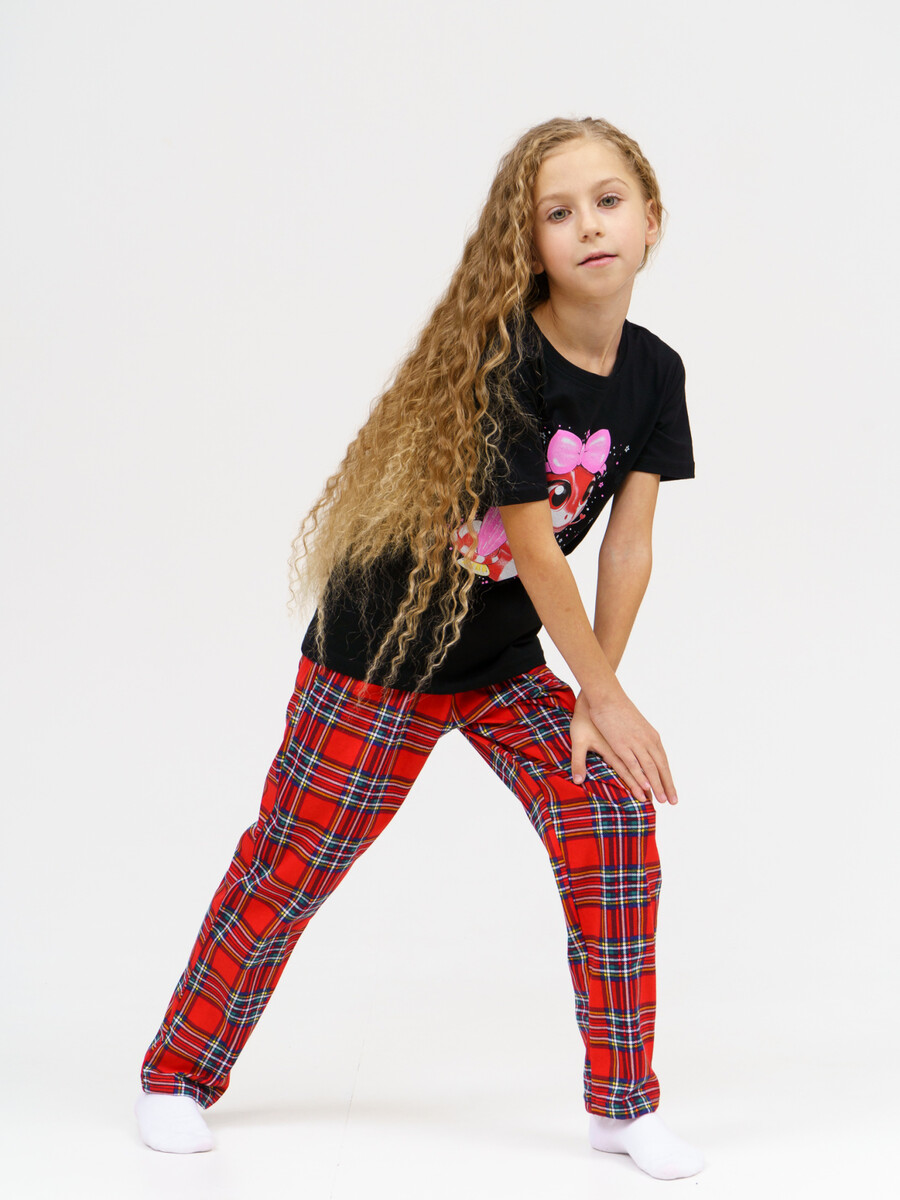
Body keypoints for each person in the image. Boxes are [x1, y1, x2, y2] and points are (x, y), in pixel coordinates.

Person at [134, 116, 706, 1181]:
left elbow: (629, 543)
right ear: (529, 243)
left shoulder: (655, 372)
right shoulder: (508, 361)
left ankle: (623, 1105)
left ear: (651, 219)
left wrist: (601, 695)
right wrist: (603, 692)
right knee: (295, 860)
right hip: (383, 656)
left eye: (609, 201)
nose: (589, 225)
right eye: (559, 212)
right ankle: (175, 1072)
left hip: (500, 665)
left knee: (612, 817)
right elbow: (534, 549)